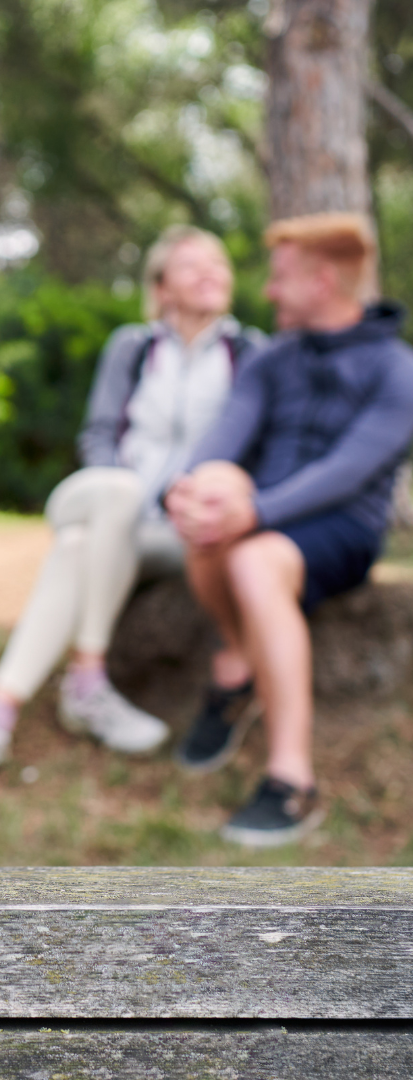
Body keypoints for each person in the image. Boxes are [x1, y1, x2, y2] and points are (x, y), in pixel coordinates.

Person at [0, 225, 266, 787]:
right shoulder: (132, 347)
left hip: (176, 533)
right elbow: (100, 435)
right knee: (117, 492)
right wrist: (134, 485)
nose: (211, 272)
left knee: (76, 547)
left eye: (219, 263)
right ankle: (87, 681)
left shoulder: (250, 352)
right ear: (161, 287)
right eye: (191, 265)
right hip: (107, 498)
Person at [166, 212, 413, 847]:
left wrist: (258, 513)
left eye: (280, 278)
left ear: (324, 280)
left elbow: (348, 470)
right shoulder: (273, 360)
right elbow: (226, 434)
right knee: (214, 487)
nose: (268, 291)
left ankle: (293, 781)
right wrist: (190, 486)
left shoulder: (396, 370)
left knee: (251, 559)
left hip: (341, 528)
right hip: (259, 515)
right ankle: (239, 656)